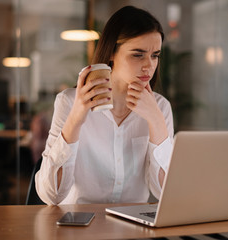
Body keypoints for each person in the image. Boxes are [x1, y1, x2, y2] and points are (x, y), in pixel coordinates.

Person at [35, 5, 174, 205]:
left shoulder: (160, 107)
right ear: (111, 52)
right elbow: (51, 196)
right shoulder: (69, 101)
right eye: (137, 54)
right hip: (78, 226)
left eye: (155, 55)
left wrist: (156, 120)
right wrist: (76, 118)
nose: (149, 65)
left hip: (132, 228)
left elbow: (164, 194)